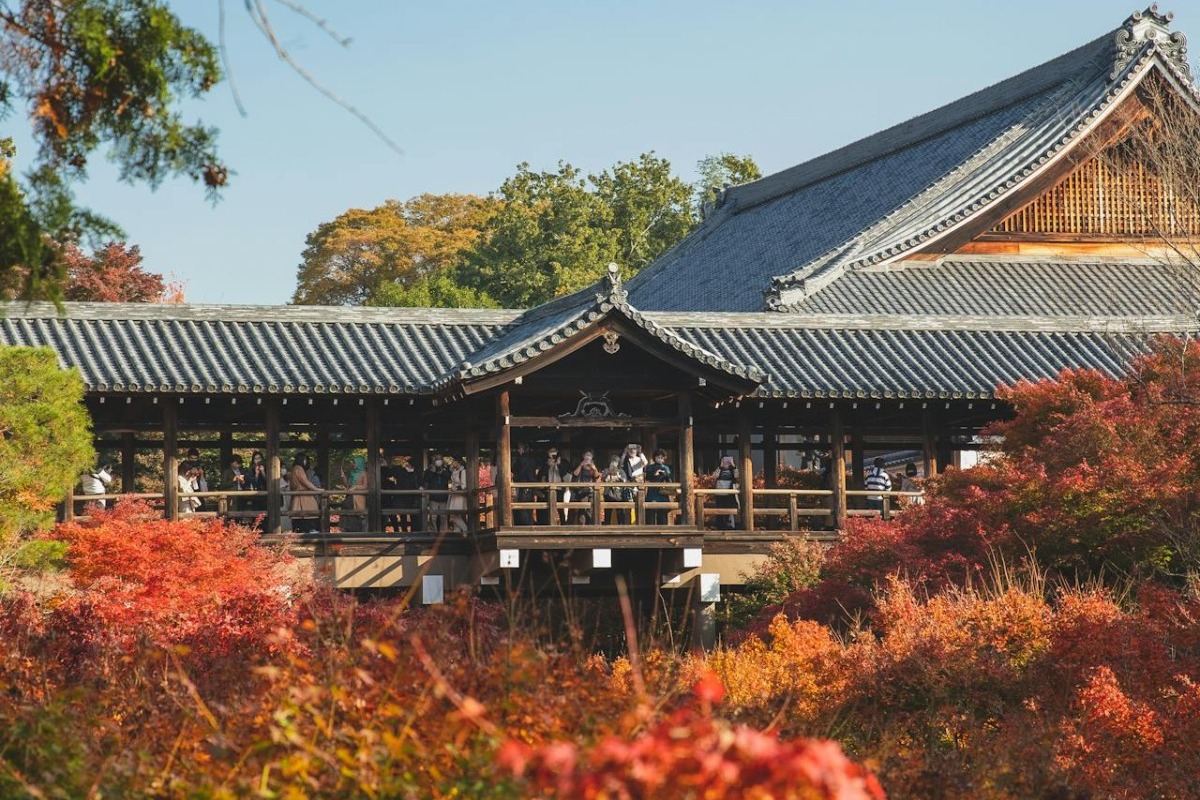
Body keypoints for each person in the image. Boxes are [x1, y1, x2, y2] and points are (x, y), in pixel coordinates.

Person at [288, 453, 321, 532]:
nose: (306, 462)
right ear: (302, 460)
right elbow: (305, 482)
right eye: (305, 460)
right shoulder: (298, 468)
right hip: (303, 496)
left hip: (299, 495)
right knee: (308, 516)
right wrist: (316, 489)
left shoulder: (294, 469)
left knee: (300, 518)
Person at [620, 443, 648, 523]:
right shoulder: (626, 460)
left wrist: (640, 452)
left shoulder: (639, 459)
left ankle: (640, 525)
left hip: (638, 485)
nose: (632, 450)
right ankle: (627, 525)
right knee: (628, 507)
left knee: (639, 506)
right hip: (628, 485)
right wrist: (624, 452)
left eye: (634, 449)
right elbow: (620, 464)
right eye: (630, 449)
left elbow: (645, 462)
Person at [512, 442, 539, 525]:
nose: (518, 450)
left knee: (523, 507)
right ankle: (529, 524)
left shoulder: (522, 459)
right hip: (532, 485)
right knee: (529, 508)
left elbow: (520, 471)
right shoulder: (532, 459)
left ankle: (525, 525)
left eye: (519, 449)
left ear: (522, 449)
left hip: (524, 484)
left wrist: (515, 478)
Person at [643, 450, 672, 526]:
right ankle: (650, 532)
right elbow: (647, 477)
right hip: (652, 492)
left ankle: (663, 532)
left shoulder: (666, 468)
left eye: (661, 457)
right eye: (658, 457)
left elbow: (669, 479)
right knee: (650, 514)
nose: (660, 459)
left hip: (662, 492)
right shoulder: (650, 467)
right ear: (654, 458)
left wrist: (665, 474)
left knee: (662, 515)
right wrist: (655, 474)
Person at [339, 456, 367, 533]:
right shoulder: (352, 473)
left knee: (354, 514)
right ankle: (345, 529)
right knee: (345, 509)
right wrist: (343, 476)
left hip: (358, 498)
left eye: (354, 462)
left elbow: (365, 486)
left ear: (359, 463)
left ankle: (354, 532)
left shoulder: (364, 473)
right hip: (350, 496)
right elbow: (348, 485)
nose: (353, 464)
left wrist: (356, 487)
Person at [423, 454, 451, 533]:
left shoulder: (446, 469)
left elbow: (449, 476)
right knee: (433, 516)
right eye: (437, 459)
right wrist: (432, 472)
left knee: (443, 516)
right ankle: (433, 531)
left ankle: (443, 532)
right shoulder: (429, 470)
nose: (438, 461)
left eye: (440, 459)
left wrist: (441, 472)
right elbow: (426, 479)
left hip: (443, 497)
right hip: (433, 497)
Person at [572, 450, 599, 524]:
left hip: (591, 491)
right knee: (582, 510)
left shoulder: (593, 466)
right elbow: (575, 474)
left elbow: (596, 476)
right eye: (586, 455)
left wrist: (594, 468)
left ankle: (590, 525)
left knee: (591, 510)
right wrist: (581, 465)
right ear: (583, 456)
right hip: (581, 490)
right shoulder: (580, 465)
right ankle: (582, 526)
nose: (588, 457)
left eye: (589, 455)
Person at [713, 455, 739, 530]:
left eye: (728, 461)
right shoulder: (719, 470)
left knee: (728, 510)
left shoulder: (732, 470)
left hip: (729, 493)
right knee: (719, 509)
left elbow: (737, 476)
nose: (726, 463)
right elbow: (714, 476)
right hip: (719, 493)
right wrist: (720, 467)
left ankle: (728, 525)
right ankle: (720, 525)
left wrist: (733, 466)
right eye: (725, 461)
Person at [395, 455, 420, 532]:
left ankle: (415, 531)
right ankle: (404, 531)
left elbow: (420, 482)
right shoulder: (400, 471)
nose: (407, 463)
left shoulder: (417, 472)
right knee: (403, 515)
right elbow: (393, 473)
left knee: (414, 515)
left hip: (414, 496)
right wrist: (400, 465)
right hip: (402, 496)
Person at [601, 457, 629, 525]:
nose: (614, 464)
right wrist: (610, 477)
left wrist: (619, 477)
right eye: (612, 462)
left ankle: (622, 529)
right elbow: (603, 479)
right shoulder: (606, 470)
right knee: (607, 513)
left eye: (615, 462)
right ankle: (606, 529)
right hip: (608, 494)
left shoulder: (621, 471)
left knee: (620, 513)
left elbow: (625, 481)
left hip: (619, 494)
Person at [447, 456, 469, 533]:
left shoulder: (462, 471)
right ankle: (457, 532)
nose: (452, 463)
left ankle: (465, 529)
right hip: (453, 495)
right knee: (453, 515)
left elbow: (464, 485)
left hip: (459, 496)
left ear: (458, 462)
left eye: (454, 461)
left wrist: (456, 488)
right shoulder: (454, 471)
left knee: (454, 515)